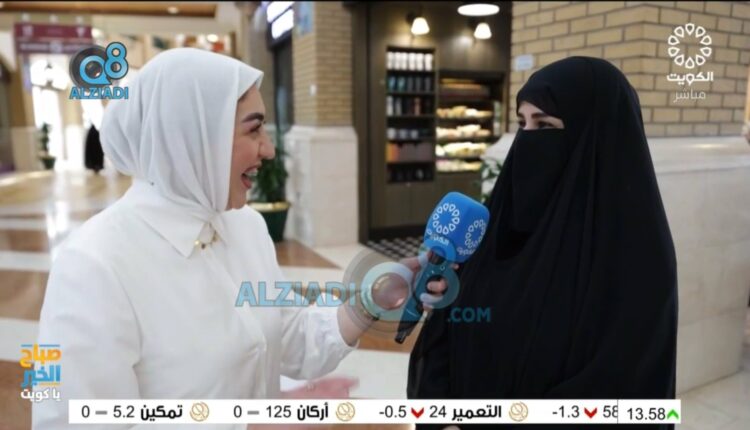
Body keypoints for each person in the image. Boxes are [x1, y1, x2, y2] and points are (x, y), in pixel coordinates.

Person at [33, 48, 446, 429]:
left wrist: (371, 300)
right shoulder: (93, 265)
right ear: (195, 136)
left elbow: (289, 336)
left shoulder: (244, 226)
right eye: (254, 130)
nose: (268, 149)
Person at [407, 57, 678, 429]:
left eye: (545, 124)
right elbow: (446, 338)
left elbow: (619, 394)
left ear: (594, 139)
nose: (528, 140)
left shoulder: (640, 266)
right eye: (522, 123)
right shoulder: (498, 232)